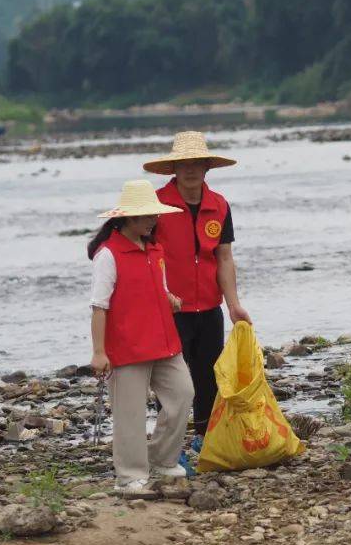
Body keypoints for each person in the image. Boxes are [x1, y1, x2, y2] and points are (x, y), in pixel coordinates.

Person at [145, 132, 252, 459]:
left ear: (207, 167)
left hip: (209, 308)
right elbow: (145, 255)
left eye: (197, 164)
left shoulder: (219, 205)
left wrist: (233, 305)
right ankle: (168, 448)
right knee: (172, 380)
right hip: (169, 309)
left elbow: (224, 258)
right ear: (174, 168)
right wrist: (160, 293)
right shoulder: (156, 204)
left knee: (209, 378)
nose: (190, 170)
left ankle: (204, 440)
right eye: (184, 164)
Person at [88, 179, 194, 497]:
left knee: (183, 394)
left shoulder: (155, 248)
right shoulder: (108, 255)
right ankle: (130, 476)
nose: (154, 221)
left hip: (164, 341)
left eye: (155, 215)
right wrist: (98, 352)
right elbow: (99, 306)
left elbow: (156, 288)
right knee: (130, 414)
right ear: (128, 218)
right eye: (148, 216)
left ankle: (162, 460)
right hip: (126, 346)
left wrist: (169, 298)